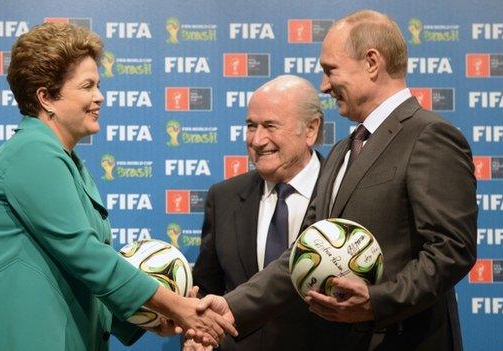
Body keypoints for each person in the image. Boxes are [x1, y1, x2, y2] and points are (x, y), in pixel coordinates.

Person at [195, 9, 477, 351]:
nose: (325, 86)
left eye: (331, 70)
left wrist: (377, 300)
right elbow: (302, 253)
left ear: (372, 62)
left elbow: (452, 251)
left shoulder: (429, 135)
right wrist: (232, 307)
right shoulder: (345, 149)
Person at [0, 22, 235, 351]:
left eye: (98, 85)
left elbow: (74, 278)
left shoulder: (64, 161)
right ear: (46, 97)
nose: (99, 97)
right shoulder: (31, 154)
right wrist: (173, 304)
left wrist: (151, 317)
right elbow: (86, 255)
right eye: (87, 86)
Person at [188, 75, 347, 351]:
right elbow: (206, 290)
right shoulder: (224, 197)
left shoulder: (342, 194)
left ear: (310, 129)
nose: (258, 140)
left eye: (270, 126)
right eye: (251, 126)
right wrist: (197, 337)